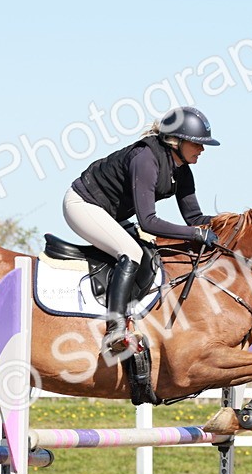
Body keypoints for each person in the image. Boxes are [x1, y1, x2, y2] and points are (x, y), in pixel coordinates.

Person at [63, 106, 221, 354]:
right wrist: (196, 235)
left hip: (112, 215)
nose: (202, 150)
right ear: (176, 141)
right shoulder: (145, 158)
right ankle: (115, 330)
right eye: (197, 144)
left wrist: (235, 224)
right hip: (84, 204)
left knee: (152, 254)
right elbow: (148, 221)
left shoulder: (183, 172)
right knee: (131, 253)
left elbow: (195, 218)